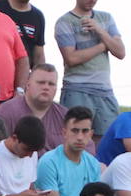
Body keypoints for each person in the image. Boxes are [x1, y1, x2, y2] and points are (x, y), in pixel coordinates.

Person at [54, 0, 123, 141]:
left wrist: (100, 31)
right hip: (76, 90)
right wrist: (103, 46)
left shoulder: (106, 18)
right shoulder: (64, 22)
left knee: (107, 140)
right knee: (76, 139)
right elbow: (71, 58)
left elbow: (120, 52)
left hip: (105, 91)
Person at [37, 107, 107, 196]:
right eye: (75, 131)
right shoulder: (49, 161)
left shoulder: (93, 163)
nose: (80, 137)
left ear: (91, 134)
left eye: (85, 131)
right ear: (64, 133)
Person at [0, 63, 68, 153]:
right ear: (28, 84)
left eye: (51, 84)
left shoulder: (65, 117)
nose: (46, 87)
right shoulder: (5, 113)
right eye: (41, 83)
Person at [0, 115, 48, 196]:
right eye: (27, 150)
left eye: (33, 151)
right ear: (14, 138)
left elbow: (29, 186)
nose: (29, 155)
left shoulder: (32, 153)